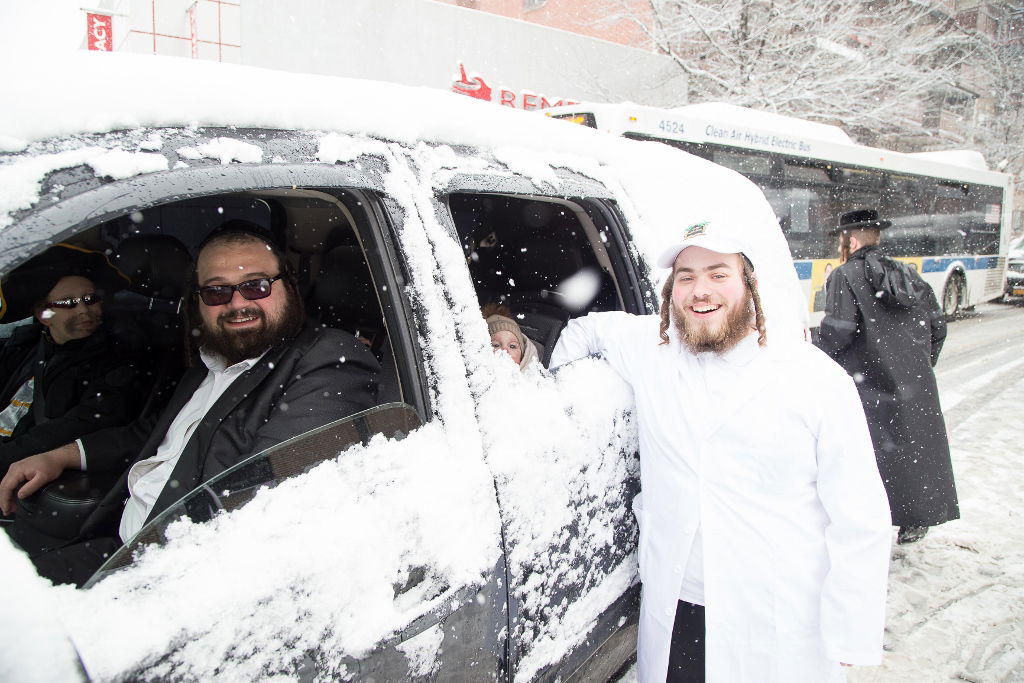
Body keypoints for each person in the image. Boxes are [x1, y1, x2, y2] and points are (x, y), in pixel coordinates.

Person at [549, 217, 892, 682]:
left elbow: (860, 516)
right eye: (686, 277)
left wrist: (851, 628)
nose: (700, 290)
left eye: (718, 274)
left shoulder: (813, 379)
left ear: (749, 284)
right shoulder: (651, 350)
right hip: (678, 607)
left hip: (776, 620)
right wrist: (550, 397)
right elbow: (584, 332)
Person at [0, 228, 380, 585]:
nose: (238, 303)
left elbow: (266, 500)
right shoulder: (213, 357)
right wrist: (63, 455)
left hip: (174, 573)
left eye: (256, 285)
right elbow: (156, 433)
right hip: (120, 544)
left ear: (289, 288)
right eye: (216, 291)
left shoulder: (327, 358)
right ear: (198, 301)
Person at [816, 208, 957, 545]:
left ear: (850, 240)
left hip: (868, 382)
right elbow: (937, 326)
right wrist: (917, 366)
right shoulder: (909, 275)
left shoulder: (845, 275)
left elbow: (838, 331)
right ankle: (915, 519)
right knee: (911, 452)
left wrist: (811, 354)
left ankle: (870, 521)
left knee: (869, 457)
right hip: (914, 383)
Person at [0, 244, 146, 480]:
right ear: (43, 315)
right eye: (68, 303)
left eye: (90, 299)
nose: (83, 310)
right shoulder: (21, 347)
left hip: (22, 470)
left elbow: (83, 424)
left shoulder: (118, 357)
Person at [482, 303, 538, 370]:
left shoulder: (534, 376)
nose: (505, 351)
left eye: (512, 346)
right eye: (496, 345)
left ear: (523, 356)